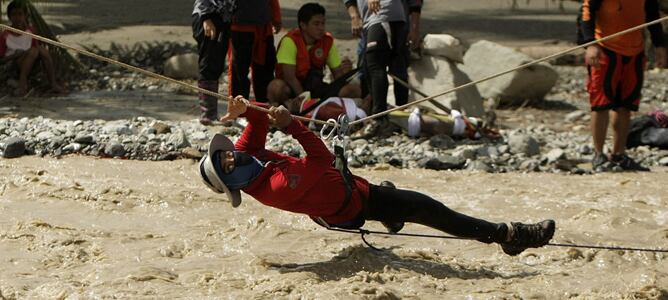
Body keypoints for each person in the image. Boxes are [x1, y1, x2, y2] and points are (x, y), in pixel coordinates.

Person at [197, 96, 556, 256]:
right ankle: (509, 236)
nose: (230, 155)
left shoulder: (246, 156)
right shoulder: (275, 187)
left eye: (223, 153)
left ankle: (392, 215)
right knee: (430, 209)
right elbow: (321, 160)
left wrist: (245, 109)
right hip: (348, 207)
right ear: (231, 183)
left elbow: (257, 123)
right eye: (224, 164)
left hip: (347, 187)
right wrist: (293, 127)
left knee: (393, 200)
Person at [581, 0, 666, 172]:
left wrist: (659, 45)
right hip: (604, 50)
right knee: (600, 105)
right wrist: (590, 44)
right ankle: (598, 155)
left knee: (626, 105)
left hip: (634, 52)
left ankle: (619, 155)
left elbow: (651, 14)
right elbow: (586, 13)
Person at [345, 0, 421, 139]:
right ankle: (396, 119)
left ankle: (379, 120)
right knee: (376, 67)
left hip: (383, 16)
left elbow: (415, 3)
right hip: (378, 19)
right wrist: (355, 16)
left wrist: (415, 27)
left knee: (376, 66)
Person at [266, 3, 361, 107]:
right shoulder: (290, 41)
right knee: (275, 87)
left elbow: (337, 75)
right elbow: (290, 77)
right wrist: (305, 101)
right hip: (293, 91)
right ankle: (288, 107)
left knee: (353, 90)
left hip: (316, 88)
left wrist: (345, 72)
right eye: (316, 24)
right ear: (303, 25)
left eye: (323, 23)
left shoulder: (327, 41)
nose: (321, 28)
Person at [0, 1, 64, 97]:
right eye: (14, 15)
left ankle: (53, 83)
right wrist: (15, 55)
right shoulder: (5, 35)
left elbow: (37, 50)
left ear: (25, 16)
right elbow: (1, 61)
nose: (17, 18)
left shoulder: (31, 31)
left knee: (40, 49)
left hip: (31, 63)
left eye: (20, 14)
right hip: (13, 66)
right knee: (34, 50)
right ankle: (22, 83)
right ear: (9, 16)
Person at [192, 0, 237, 125]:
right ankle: (208, 115)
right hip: (208, 17)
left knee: (216, 65)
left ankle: (211, 114)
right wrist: (206, 17)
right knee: (209, 64)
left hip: (222, 19)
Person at [228, 0, 281, 102]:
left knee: (265, 69)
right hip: (239, 26)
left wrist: (276, 17)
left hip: (264, 27)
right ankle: (238, 112)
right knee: (239, 71)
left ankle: (264, 109)